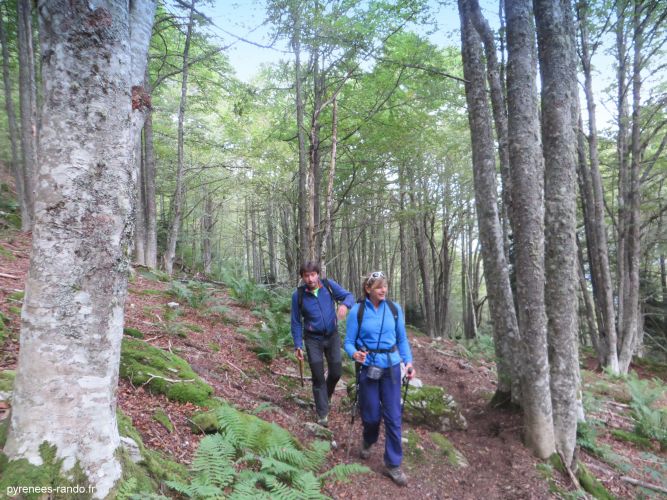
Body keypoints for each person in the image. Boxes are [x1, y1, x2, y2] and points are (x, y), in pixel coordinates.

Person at [344, 271, 415, 487]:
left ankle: (393, 464)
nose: (383, 290)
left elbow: (402, 339)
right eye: (378, 287)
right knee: (372, 415)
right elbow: (348, 342)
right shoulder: (358, 311)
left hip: (392, 367)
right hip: (368, 368)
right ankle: (369, 439)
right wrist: (354, 354)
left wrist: (408, 362)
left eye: (385, 286)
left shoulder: (394, 310)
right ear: (368, 289)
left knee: (394, 416)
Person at [291, 260, 354, 427]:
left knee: (336, 372)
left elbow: (349, 296)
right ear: (302, 277)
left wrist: (344, 305)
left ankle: (326, 396)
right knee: (318, 376)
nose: (310, 279)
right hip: (313, 340)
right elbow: (296, 322)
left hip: (332, 336)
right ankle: (322, 414)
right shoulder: (298, 296)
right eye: (306, 276)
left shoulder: (328, 286)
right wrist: (298, 344)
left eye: (313, 274)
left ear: (318, 274)